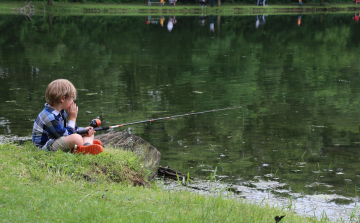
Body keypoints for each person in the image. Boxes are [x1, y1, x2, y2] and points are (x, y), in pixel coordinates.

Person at [32, 79, 103, 155]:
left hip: (58, 138)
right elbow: (66, 135)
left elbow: (68, 130)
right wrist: (72, 119)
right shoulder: (49, 117)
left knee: (88, 130)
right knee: (76, 138)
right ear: (62, 99)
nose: (73, 101)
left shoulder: (60, 111)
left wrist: (84, 131)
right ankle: (83, 146)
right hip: (45, 147)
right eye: (72, 98)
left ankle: (86, 146)